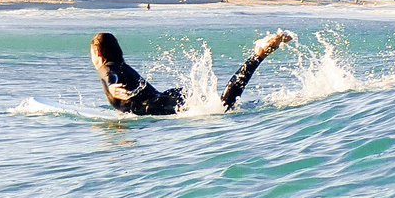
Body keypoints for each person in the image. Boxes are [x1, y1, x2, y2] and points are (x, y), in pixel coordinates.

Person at [89, 30, 294, 115]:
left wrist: (113, 88)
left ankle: (259, 55)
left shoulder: (106, 67)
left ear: (98, 52)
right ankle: (257, 56)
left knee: (222, 106)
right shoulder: (120, 65)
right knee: (216, 103)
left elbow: (109, 77)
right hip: (166, 96)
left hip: (160, 104)